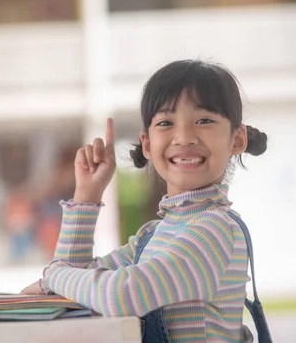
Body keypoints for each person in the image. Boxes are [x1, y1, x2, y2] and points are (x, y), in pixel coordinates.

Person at [20, 60, 272, 343]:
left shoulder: (216, 230)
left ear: (236, 139)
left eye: (204, 120)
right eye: (166, 123)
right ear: (148, 144)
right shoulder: (150, 237)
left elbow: (123, 295)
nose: (184, 136)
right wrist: (87, 196)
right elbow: (78, 284)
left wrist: (52, 277)